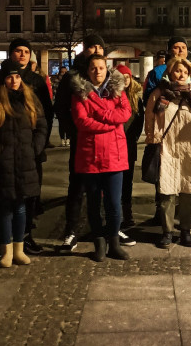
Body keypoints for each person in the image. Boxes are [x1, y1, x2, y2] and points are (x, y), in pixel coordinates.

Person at [54, 34, 137, 251]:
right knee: (80, 190)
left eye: (100, 46)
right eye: (92, 46)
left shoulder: (115, 85)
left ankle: (112, 233)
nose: (96, 50)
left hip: (112, 150)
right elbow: (73, 115)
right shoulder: (74, 80)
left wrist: (104, 122)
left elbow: (125, 112)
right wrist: (82, 131)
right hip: (85, 146)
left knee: (112, 198)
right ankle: (72, 231)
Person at [0, 38, 53, 254]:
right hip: (4, 153)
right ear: (10, 53)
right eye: (17, 51)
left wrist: (37, 147)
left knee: (28, 196)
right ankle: (1, 239)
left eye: (26, 51)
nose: (22, 54)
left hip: (28, 152)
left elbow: (46, 116)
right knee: (1, 198)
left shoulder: (36, 81)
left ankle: (25, 237)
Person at [72, 53, 131, 261]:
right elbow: (82, 121)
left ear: (107, 69)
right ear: (88, 71)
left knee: (114, 204)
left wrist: (102, 115)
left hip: (115, 156)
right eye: (93, 68)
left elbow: (125, 114)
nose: (98, 71)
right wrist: (110, 125)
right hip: (91, 156)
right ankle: (99, 242)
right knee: (94, 203)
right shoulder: (80, 93)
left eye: (101, 67)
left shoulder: (117, 90)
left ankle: (114, 242)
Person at [145, 57, 191, 248]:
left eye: (185, 72)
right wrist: (153, 137)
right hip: (167, 148)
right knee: (167, 193)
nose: (181, 75)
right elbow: (150, 117)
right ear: (170, 73)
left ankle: (186, 230)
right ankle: (167, 231)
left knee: (188, 190)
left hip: (190, 148)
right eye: (177, 71)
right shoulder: (159, 94)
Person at [116, 65, 144, 229]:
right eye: (122, 77)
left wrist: (133, 137)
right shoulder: (112, 96)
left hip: (129, 145)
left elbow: (139, 122)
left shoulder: (135, 98)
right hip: (115, 145)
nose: (125, 80)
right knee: (115, 182)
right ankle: (115, 213)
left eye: (127, 77)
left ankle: (128, 214)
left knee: (127, 181)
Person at [143, 35, 189, 103]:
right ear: (169, 51)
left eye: (184, 47)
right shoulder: (158, 71)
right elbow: (148, 97)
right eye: (176, 47)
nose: (181, 50)